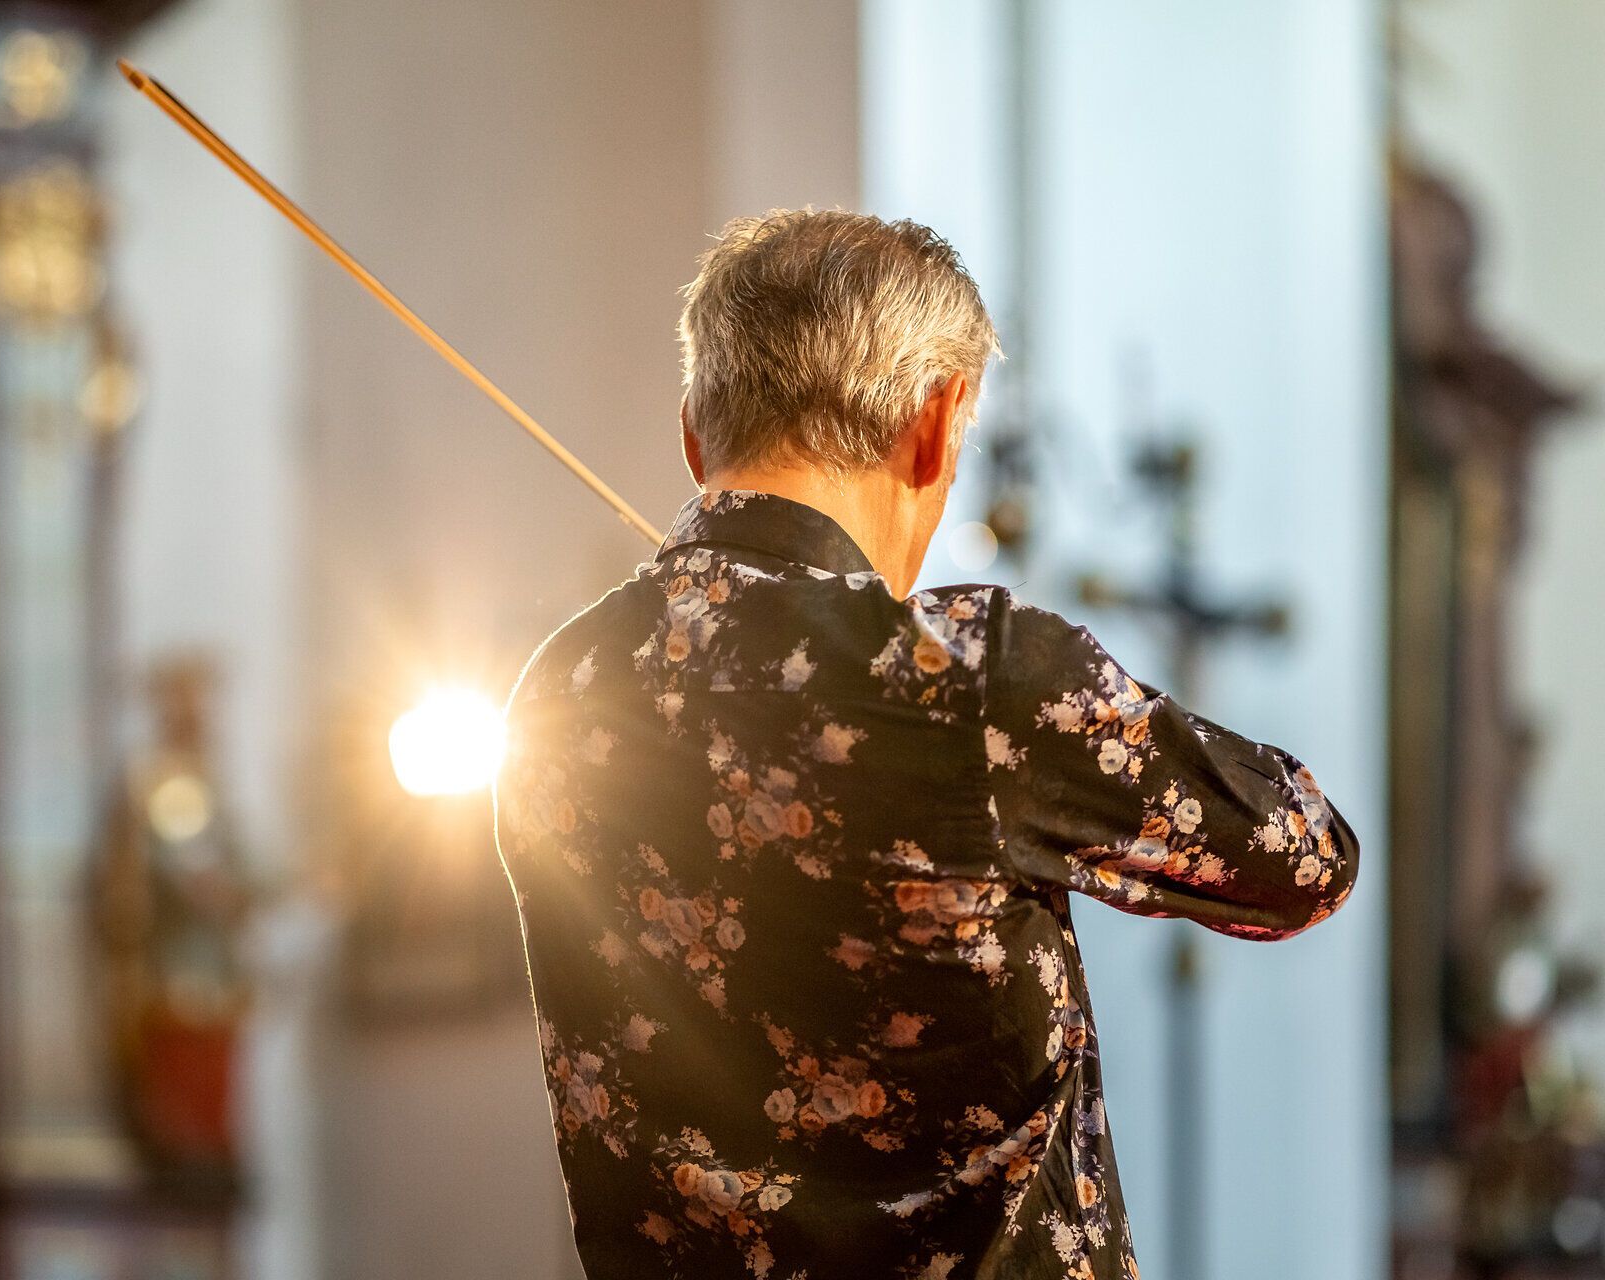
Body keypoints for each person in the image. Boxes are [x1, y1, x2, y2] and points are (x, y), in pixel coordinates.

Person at [493, 209, 1357, 1280]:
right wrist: (1053, 688)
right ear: (937, 425)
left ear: (691, 435)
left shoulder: (554, 694)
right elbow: (1308, 856)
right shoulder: (969, 678)